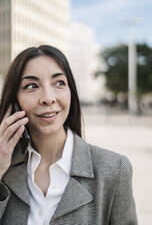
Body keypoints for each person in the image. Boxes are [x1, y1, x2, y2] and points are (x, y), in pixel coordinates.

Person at [0, 45, 138, 224]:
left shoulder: (114, 170)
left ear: (70, 92)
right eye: (32, 86)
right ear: (14, 101)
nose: (48, 98)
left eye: (59, 83)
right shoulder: (5, 167)